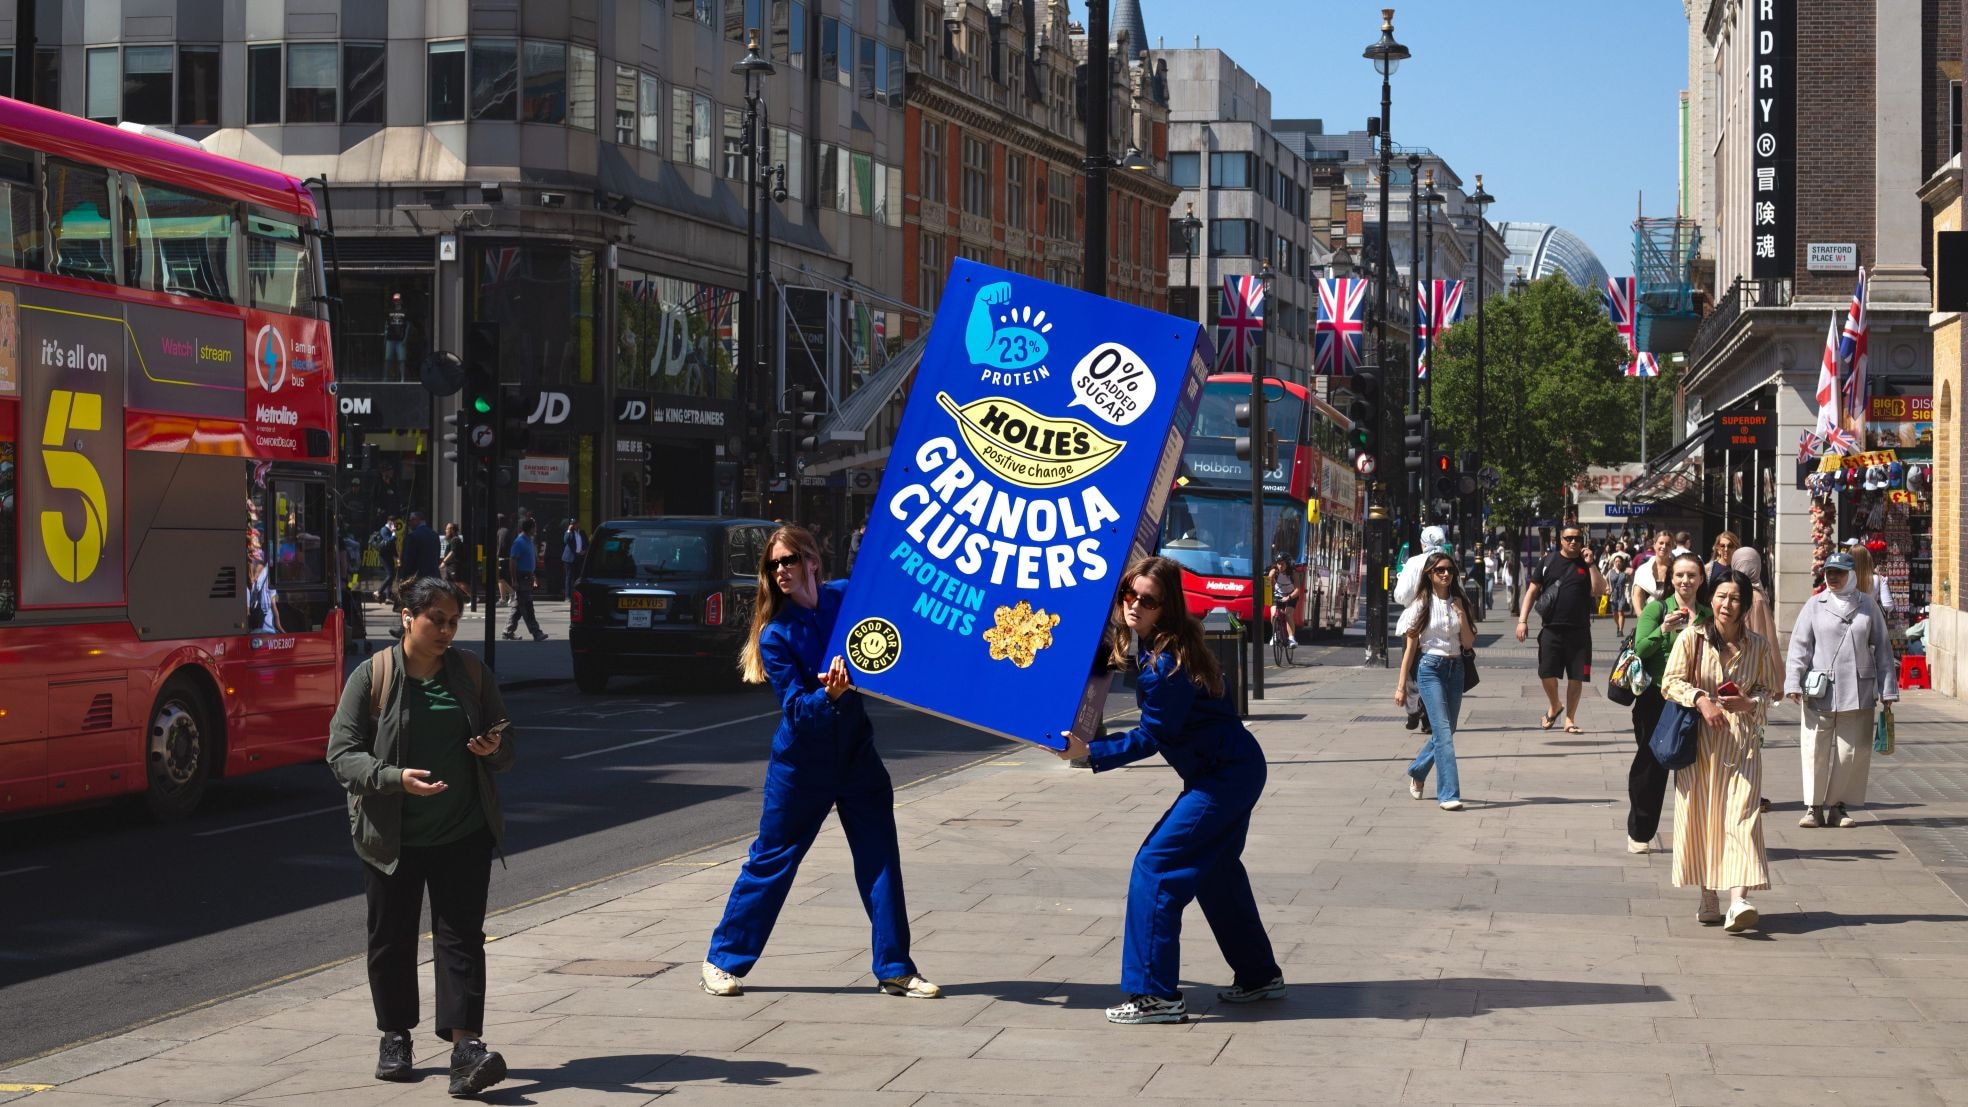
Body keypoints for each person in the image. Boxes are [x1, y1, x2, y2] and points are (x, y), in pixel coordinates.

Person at [701, 525, 941, 1001]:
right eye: (773, 565)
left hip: (857, 756)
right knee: (773, 860)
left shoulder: (844, 599)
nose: (781, 571)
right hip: (801, 766)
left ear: (812, 559)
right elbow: (795, 709)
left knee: (881, 861)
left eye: (788, 560)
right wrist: (827, 695)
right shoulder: (777, 634)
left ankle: (895, 969)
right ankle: (722, 961)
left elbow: (899, 601)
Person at [1053, 556, 1282, 1024]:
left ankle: (1155, 995)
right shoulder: (1161, 646)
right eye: (1128, 595)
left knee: (1156, 868)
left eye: (1148, 600)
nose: (1135, 605)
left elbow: (1150, 736)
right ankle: (1259, 975)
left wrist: (1089, 752)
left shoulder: (1166, 666)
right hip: (1232, 769)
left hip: (1223, 778)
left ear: (1167, 607)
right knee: (1216, 870)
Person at [326, 577, 515, 1096]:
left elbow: (507, 743)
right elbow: (341, 754)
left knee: (462, 939)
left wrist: (490, 747)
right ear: (408, 616)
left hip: (463, 830)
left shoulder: (472, 673)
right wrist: (394, 778)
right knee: (391, 941)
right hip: (392, 837)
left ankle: (465, 1049)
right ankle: (395, 1035)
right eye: (438, 620)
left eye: (454, 621)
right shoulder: (374, 676)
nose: (448, 631)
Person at [1661, 569, 1782, 932]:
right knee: (1703, 817)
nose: (1727, 605)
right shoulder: (1692, 638)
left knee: (1743, 819)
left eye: (1735, 599)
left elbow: (1766, 691)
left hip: (1741, 743)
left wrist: (1750, 703)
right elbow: (1670, 683)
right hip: (1700, 741)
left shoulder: (1757, 645)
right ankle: (1708, 896)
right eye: (1721, 597)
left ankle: (1738, 900)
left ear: (1745, 606)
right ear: (1710, 598)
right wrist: (1701, 700)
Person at [1784, 551, 1898, 829]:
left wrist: (1888, 691)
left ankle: (1837, 806)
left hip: (1858, 690)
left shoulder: (1868, 606)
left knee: (1851, 753)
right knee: (1815, 750)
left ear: (1852, 575)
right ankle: (1813, 807)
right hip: (1819, 690)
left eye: (1839, 572)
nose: (1833, 577)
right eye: (1829, 572)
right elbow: (1800, 646)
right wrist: (1792, 682)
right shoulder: (1814, 605)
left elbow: (1883, 650)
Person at [1627, 552, 1710, 853]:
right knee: (1652, 765)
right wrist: (1663, 630)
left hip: (1695, 698)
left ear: (1701, 579)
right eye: (1680, 575)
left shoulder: (1708, 614)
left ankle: (1692, 834)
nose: (1686, 581)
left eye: (1692, 575)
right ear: (1670, 578)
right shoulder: (1656, 608)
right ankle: (1640, 832)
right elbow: (1640, 650)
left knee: (1694, 768)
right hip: (1657, 697)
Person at [1393, 551, 1478, 810]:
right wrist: (1400, 688)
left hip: (1456, 669)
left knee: (1446, 732)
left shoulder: (1459, 601)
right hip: (1430, 669)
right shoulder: (1420, 604)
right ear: (1429, 574)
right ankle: (1449, 794)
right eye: (1440, 570)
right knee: (1443, 733)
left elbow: (1468, 643)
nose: (1445, 574)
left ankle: (1418, 770)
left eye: (1450, 570)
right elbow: (1410, 649)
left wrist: (1462, 615)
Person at [1517, 526, 1607, 733]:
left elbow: (1599, 590)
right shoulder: (1548, 561)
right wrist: (1522, 620)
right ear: (1561, 540)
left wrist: (1591, 564)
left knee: (1577, 677)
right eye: (1568, 538)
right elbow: (1532, 591)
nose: (1573, 542)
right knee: (1546, 673)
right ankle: (1555, 704)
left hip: (1579, 631)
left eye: (1577, 538)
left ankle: (1569, 719)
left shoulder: (1587, 563)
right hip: (1551, 629)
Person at [502, 518, 546, 642]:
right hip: (521, 577)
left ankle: (507, 631)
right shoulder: (519, 542)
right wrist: (514, 579)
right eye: (535, 527)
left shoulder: (529, 541)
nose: (536, 529)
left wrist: (534, 576)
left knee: (518, 607)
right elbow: (513, 561)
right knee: (527, 606)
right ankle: (536, 632)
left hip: (527, 577)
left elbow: (530, 560)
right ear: (530, 528)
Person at [1631, 530, 1674, 613]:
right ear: (1654, 545)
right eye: (1661, 543)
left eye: (1668, 544)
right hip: (1649, 615)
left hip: (1673, 614)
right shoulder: (1643, 570)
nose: (1664, 546)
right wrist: (1641, 618)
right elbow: (1637, 596)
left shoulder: (1677, 568)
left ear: (1672, 547)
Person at [1267, 552, 1297, 664]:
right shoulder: (1274, 571)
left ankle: (1291, 638)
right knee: (1273, 613)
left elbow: (1297, 590)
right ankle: (1276, 633)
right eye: (1278, 564)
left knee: (1288, 613)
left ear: (1287, 564)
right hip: (1278, 595)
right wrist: (1268, 580)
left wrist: (1289, 597)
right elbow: (1268, 581)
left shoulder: (1293, 573)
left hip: (1291, 595)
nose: (1280, 566)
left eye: (1282, 564)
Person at [1849, 544, 1895, 615]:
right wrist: (1882, 580)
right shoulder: (1876, 579)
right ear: (1868, 559)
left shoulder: (1845, 579)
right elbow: (1888, 606)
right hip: (1870, 619)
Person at [399, 511, 442, 583]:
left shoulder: (413, 536)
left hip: (419, 579)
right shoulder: (435, 534)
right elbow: (437, 556)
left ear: (416, 520)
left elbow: (409, 559)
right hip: (435, 577)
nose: (409, 524)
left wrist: (403, 576)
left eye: (410, 520)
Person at [371, 515, 399, 603]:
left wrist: (396, 557)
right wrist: (394, 534)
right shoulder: (384, 530)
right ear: (390, 522)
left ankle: (388, 596)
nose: (395, 525)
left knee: (392, 574)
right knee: (390, 574)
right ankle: (378, 591)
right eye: (394, 523)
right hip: (384, 556)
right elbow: (389, 541)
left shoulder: (389, 530)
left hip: (389, 555)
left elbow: (392, 546)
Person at [383, 292, 410, 379]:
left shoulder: (405, 311)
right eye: (395, 300)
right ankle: (386, 378)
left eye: (398, 300)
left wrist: (405, 339)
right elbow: (386, 325)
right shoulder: (389, 311)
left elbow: (408, 326)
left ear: (401, 301)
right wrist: (385, 338)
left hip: (400, 339)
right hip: (390, 338)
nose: (396, 302)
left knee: (401, 359)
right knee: (387, 359)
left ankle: (402, 378)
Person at [1606, 552, 1632, 640]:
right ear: (1614, 562)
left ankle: (1620, 630)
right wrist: (1607, 589)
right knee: (1614, 613)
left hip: (1622, 594)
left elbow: (1630, 582)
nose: (1618, 563)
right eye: (1616, 561)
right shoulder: (1610, 572)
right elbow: (1605, 581)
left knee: (1621, 612)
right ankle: (1618, 625)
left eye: (1619, 561)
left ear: (1622, 563)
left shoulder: (1625, 572)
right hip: (1613, 595)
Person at [560, 519, 586, 597]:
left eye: (575, 524)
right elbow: (566, 540)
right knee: (569, 577)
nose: (574, 525)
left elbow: (586, 543)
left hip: (579, 557)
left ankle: (576, 595)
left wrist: (584, 551)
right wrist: (568, 530)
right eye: (572, 524)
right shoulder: (569, 533)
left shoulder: (582, 533)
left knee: (577, 577)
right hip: (569, 558)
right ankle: (568, 596)